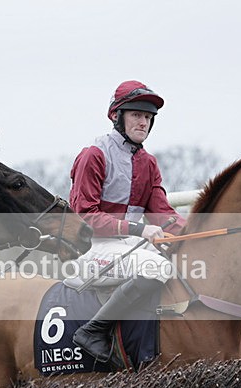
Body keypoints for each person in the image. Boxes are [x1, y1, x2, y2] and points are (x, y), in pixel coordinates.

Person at [69, 80, 186, 366]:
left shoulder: (149, 163)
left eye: (148, 117)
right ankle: (94, 330)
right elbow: (85, 215)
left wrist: (196, 234)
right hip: (94, 249)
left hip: (131, 246)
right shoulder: (93, 155)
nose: (143, 122)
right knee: (156, 266)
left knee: (182, 261)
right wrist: (138, 229)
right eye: (136, 114)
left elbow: (162, 213)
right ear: (116, 116)